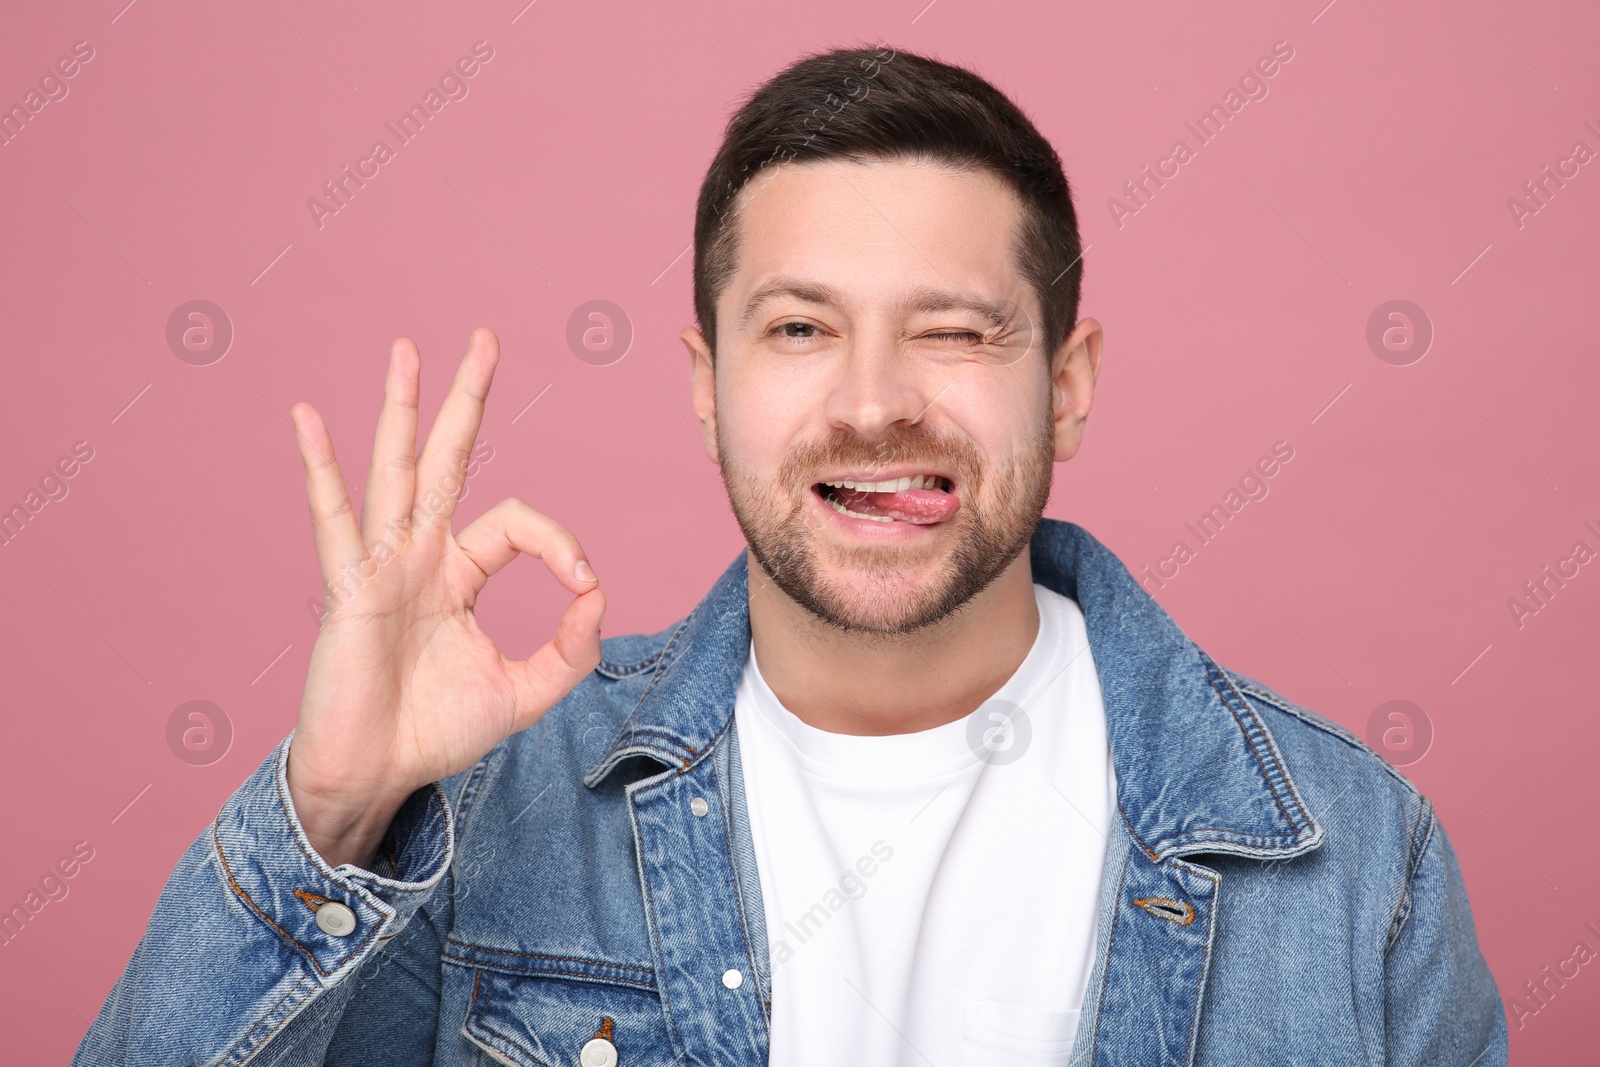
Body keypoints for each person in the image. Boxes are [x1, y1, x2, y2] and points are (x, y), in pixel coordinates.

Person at [74, 43, 1506, 1067]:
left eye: (953, 328)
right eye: (801, 329)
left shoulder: (1358, 861)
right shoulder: (475, 811)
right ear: (705, 382)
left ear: (1067, 382)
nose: (875, 400)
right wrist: (327, 821)